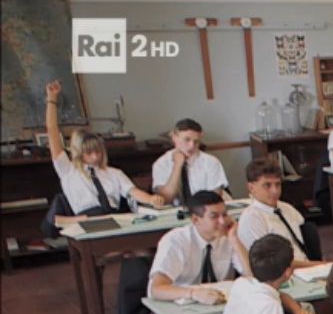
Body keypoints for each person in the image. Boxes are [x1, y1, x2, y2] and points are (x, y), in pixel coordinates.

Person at [44, 80, 163, 215]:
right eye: (89, 153)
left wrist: (151, 199)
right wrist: (52, 100)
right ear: (79, 153)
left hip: (113, 216)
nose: (95, 156)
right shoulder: (68, 171)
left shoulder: (114, 173)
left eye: (98, 151)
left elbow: (132, 191)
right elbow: (52, 132)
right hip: (87, 218)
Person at [237, 158, 323, 270]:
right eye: (267, 185)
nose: (275, 191)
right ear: (251, 188)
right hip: (281, 273)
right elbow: (270, 264)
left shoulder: (287, 208)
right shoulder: (251, 219)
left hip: (306, 267)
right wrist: (318, 265)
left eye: (278, 184)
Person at [151, 118, 230, 206]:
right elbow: (167, 199)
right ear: (174, 138)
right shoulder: (161, 164)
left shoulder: (211, 162)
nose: (191, 146)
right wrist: (177, 166)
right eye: (187, 140)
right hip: (176, 211)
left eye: (196, 142)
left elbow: (214, 198)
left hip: (206, 209)